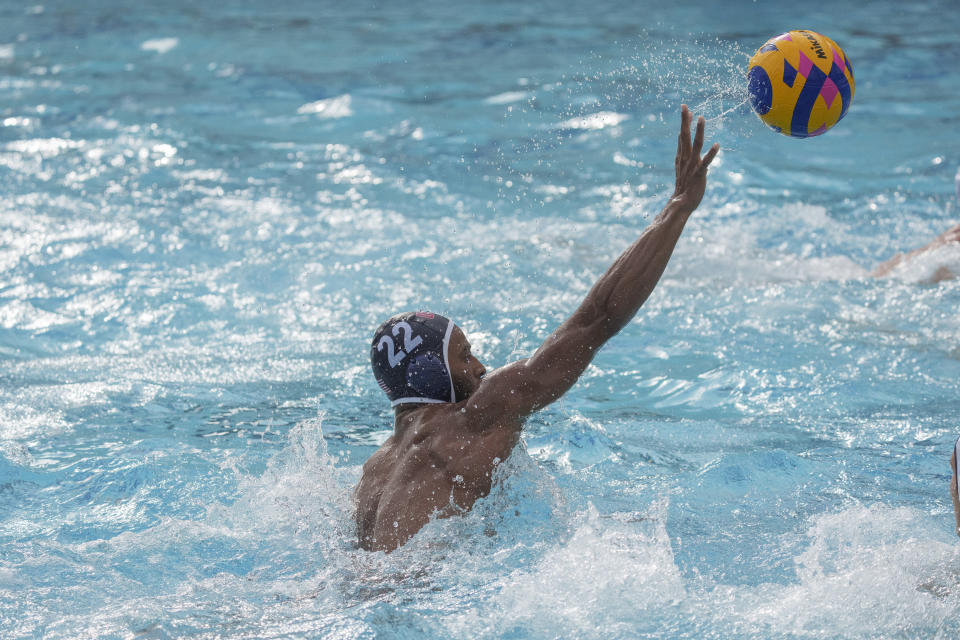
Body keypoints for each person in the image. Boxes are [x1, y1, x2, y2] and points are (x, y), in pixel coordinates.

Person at [354, 105, 720, 552]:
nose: (482, 366)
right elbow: (597, 319)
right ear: (431, 373)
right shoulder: (475, 417)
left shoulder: (373, 471)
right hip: (418, 592)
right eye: (465, 355)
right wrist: (678, 207)